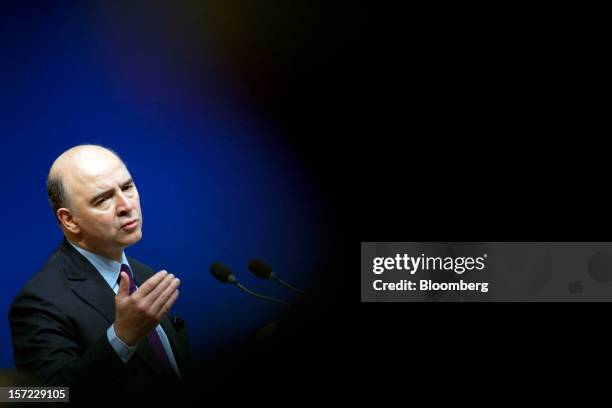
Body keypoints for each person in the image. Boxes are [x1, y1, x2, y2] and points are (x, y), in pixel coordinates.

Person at [8, 145, 191, 401]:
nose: (126, 205)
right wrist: (121, 338)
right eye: (103, 199)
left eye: (127, 187)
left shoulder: (143, 274)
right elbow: (49, 397)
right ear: (69, 220)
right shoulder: (39, 303)